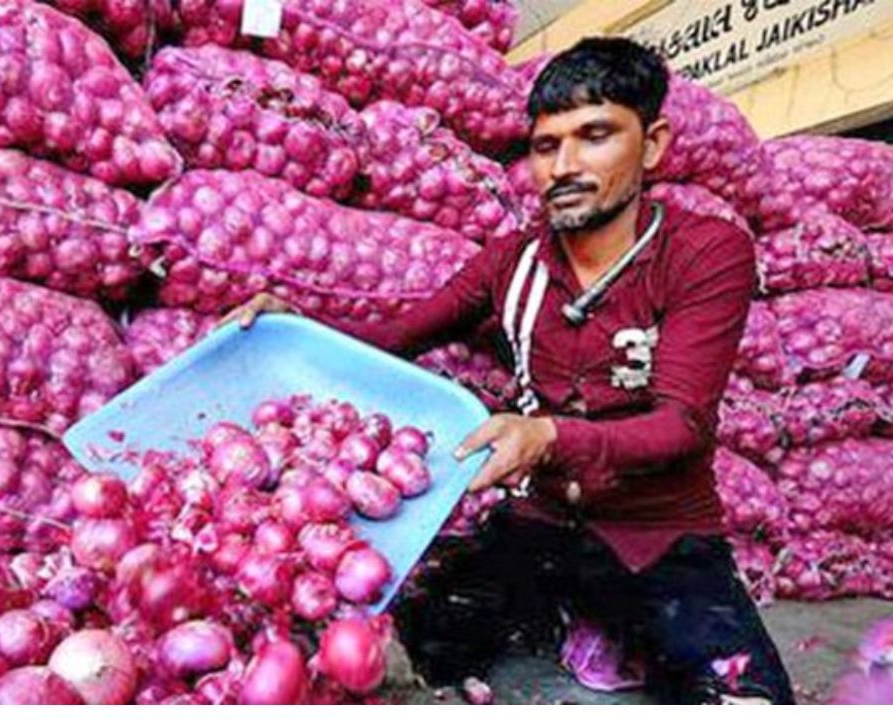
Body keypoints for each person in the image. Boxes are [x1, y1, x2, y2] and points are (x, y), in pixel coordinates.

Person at [219, 37, 794, 704]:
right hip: (540, 522)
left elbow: (682, 424)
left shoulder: (704, 251)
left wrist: (547, 436)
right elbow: (400, 337)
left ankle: (601, 620)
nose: (565, 166)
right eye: (547, 146)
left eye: (596, 136)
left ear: (654, 144)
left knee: (750, 699)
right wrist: (297, 322)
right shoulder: (510, 261)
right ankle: (576, 616)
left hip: (659, 533)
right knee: (428, 638)